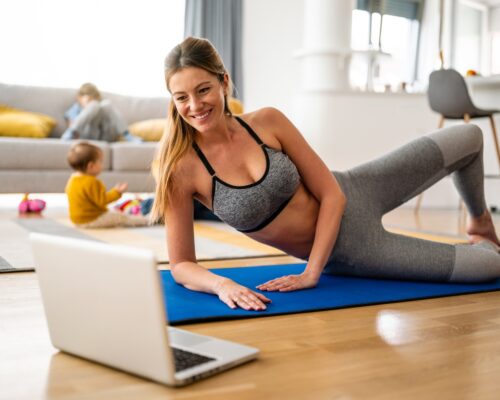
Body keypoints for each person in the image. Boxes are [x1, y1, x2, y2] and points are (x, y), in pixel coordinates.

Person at [151, 37, 500, 312]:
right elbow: (181, 264)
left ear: (223, 82)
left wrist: (310, 274)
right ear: (172, 100)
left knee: (468, 137)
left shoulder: (266, 122)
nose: (195, 106)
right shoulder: (181, 170)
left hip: (356, 187)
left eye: (203, 90)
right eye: (181, 97)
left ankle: (479, 222)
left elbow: (333, 194)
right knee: (489, 265)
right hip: (351, 249)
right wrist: (221, 284)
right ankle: (483, 242)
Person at [66, 141, 148, 228]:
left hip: (76, 220)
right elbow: (103, 201)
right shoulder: (92, 182)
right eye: (100, 162)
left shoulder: (73, 179)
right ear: (91, 166)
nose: (102, 165)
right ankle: (146, 220)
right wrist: (117, 191)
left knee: (113, 211)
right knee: (120, 217)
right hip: (91, 219)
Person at [61, 82, 141, 143]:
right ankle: (70, 133)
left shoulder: (101, 106)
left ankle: (127, 135)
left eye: (94, 99)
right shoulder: (76, 108)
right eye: (88, 100)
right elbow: (71, 122)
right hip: (85, 135)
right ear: (79, 98)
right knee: (94, 105)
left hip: (105, 136)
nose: (91, 102)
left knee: (107, 104)